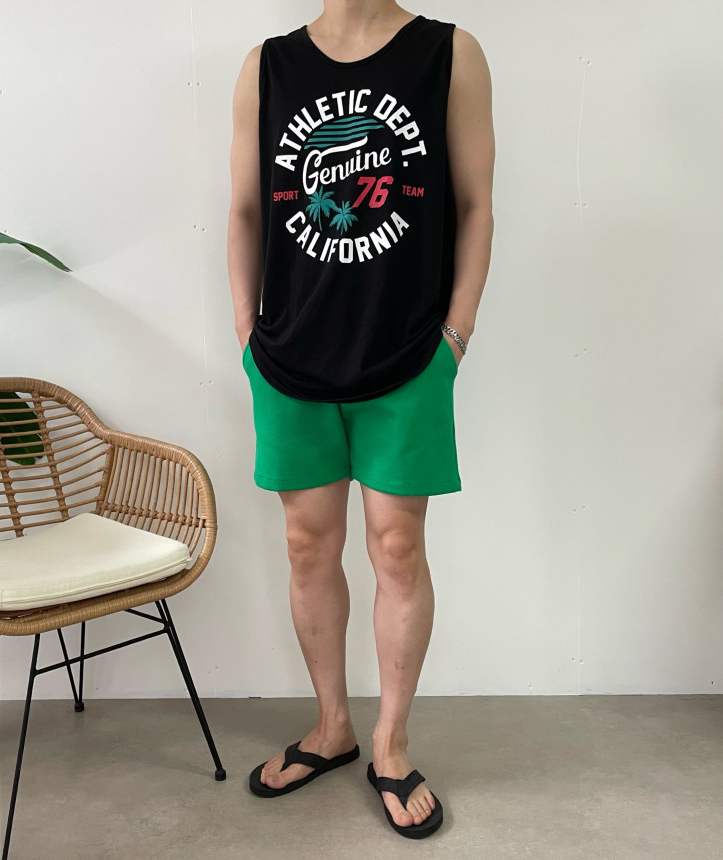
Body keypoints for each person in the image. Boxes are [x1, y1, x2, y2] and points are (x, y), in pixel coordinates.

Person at [227, 0, 494, 839]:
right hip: (289, 355)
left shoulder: (448, 53)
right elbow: (245, 210)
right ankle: (332, 726)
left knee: (397, 547)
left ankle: (391, 742)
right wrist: (246, 331)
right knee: (307, 544)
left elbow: (476, 204)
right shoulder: (268, 66)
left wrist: (456, 335)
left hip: (409, 355)